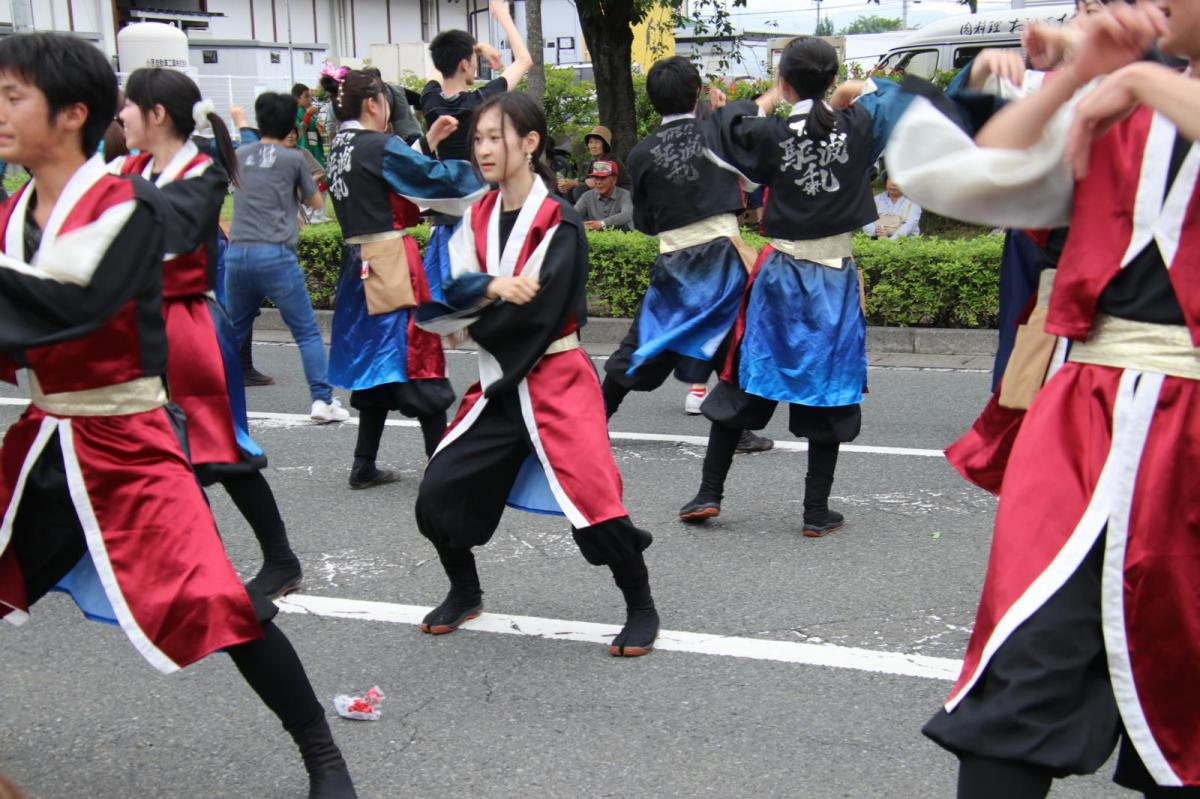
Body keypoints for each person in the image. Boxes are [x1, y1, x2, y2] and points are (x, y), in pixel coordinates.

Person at [0, 33, 355, 798]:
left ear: (71, 114)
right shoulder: (12, 213)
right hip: (41, 441)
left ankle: (324, 753)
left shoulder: (132, 208)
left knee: (218, 602)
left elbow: (72, 311)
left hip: (127, 441)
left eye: (12, 97)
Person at [887, 2, 1200, 795]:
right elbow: (975, 174)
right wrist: (1074, 80)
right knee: (1017, 673)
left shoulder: (1149, 93)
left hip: (1189, 435)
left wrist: (1133, 75)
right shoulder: (1127, 107)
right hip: (1086, 423)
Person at [413, 92, 660, 657]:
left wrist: (472, 319)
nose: (483, 148)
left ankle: (641, 606)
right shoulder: (474, 215)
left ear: (530, 143)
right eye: (477, 138)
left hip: (556, 381)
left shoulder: (559, 221)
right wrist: (489, 290)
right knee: (436, 495)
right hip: (499, 384)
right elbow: (442, 292)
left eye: (495, 137)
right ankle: (465, 590)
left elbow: (544, 314)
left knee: (593, 508)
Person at [677, 37, 910, 536]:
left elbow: (722, 126)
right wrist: (852, 89)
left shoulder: (773, 131)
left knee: (743, 378)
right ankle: (814, 512)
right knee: (830, 389)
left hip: (779, 275)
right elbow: (893, 93)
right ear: (831, 79)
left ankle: (708, 493)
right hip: (832, 279)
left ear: (784, 82)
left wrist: (766, 100)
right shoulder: (858, 124)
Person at [113, 68, 304, 601]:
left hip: (186, 329)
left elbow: (161, 238)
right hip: (140, 327)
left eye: (129, 106)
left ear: (157, 114)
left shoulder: (202, 172)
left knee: (218, 450)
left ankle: (279, 560)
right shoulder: (130, 167)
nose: (121, 115)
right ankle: (187, 563)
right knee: (156, 452)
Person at [318, 69, 485, 489]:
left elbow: (385, 180)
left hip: (358, 264)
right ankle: (441, 464)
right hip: (391, 260)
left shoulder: (340, 146)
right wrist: (485, 168)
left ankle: (364, 462)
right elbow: (429, 181)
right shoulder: (379, 144)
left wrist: (426, 144)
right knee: (419, 356)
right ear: (374, 104)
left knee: (378, 362)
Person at [598, 56, 773, 455]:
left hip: (675, 260)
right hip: (724, 255)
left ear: (654, 100)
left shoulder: (640, 154)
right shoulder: (717, 133)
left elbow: (643, 221)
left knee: (640, 345)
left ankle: (593, 422)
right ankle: (738, 430)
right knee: (733, 343)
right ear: (696, 91)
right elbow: (754, 179)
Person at [226, 91, 349, 424]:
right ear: (290, 126)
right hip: (275, 255)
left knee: (233, 331)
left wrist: (241, 125)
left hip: (236, 254)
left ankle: (210, 395)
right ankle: (322, 401)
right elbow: (316, 203)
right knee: (306, 332)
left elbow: (254, 151)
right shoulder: (293, 159)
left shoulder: (240, 154)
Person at [420, 0, 533, 302]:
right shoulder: (481, 100)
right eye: (473, 59)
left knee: (447, 290)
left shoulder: (430, 100)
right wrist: (503, 18)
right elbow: (524, 60)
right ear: (465, 64)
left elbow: (439, 64)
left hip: (445, 206)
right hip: (482, 204)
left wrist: (474, 48)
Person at [556, 125, 631, 200]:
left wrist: (574, 183)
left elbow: (596, 183)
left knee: (579, 190)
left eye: (597, 142)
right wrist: (565, 184)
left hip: (620, 196)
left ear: (604, 145)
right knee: (566, 190)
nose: (593, 146)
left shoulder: (610, 160)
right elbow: (585, 181)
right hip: (604, 193)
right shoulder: (594, 162)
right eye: (590, 142)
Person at [361, 66, 423, 144]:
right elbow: (420, 100)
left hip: (402, 139)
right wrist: (417, 119)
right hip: (416, 133)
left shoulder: (378, 95)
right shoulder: (398, 89)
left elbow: (385, 122)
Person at [572, 160, 633, 231]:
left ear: (614, 180)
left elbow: (627, 215)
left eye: (603, 178)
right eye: (596, 177)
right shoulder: (587, 196)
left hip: (623, 239)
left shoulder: (626, 195)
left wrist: (601, 224)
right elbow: (572, 214)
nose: (598, 182)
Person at [291, 82, 325, 167]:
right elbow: (299, 130)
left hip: (315, 146)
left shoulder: (307, 112)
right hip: (306, 148)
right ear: (298, 98)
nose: (309, 99)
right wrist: (308, 115)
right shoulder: (294, 112)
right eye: (306, 96)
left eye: (310, 96)